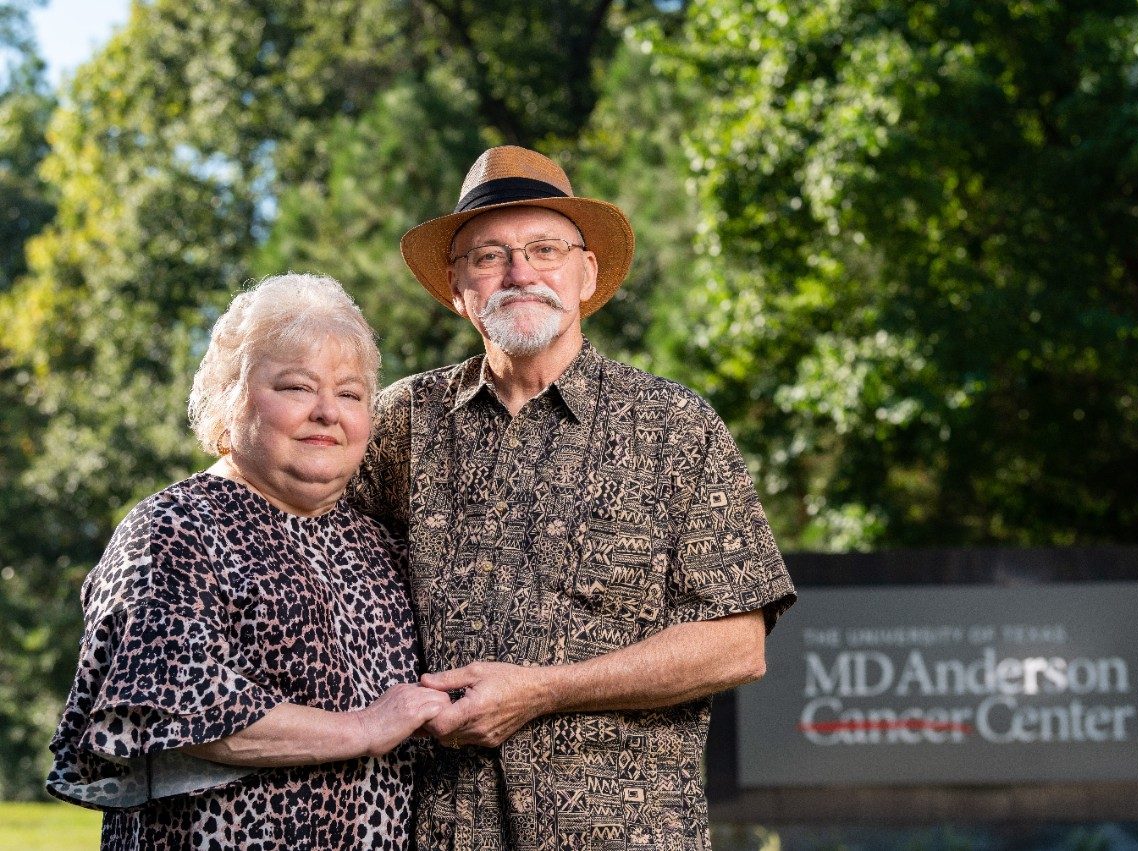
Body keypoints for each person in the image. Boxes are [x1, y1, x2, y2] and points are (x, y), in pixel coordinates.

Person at [349, 146, 797, 849]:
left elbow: (737, 645)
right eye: (489, 255)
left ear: (586, 273)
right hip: (434, 829)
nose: (519, 272)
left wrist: (545, 688)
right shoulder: (397, 423)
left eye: (544, 248)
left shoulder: (674, 425)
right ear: (456, 284)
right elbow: (296, 533)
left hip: (624, 832)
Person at [47, 273, 449, 850]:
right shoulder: (176, 527)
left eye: (351, 393)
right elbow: (177, 704)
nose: (327, 413)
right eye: (295, 387)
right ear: (229, 397)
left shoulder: (378, 544)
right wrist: (363, 728)